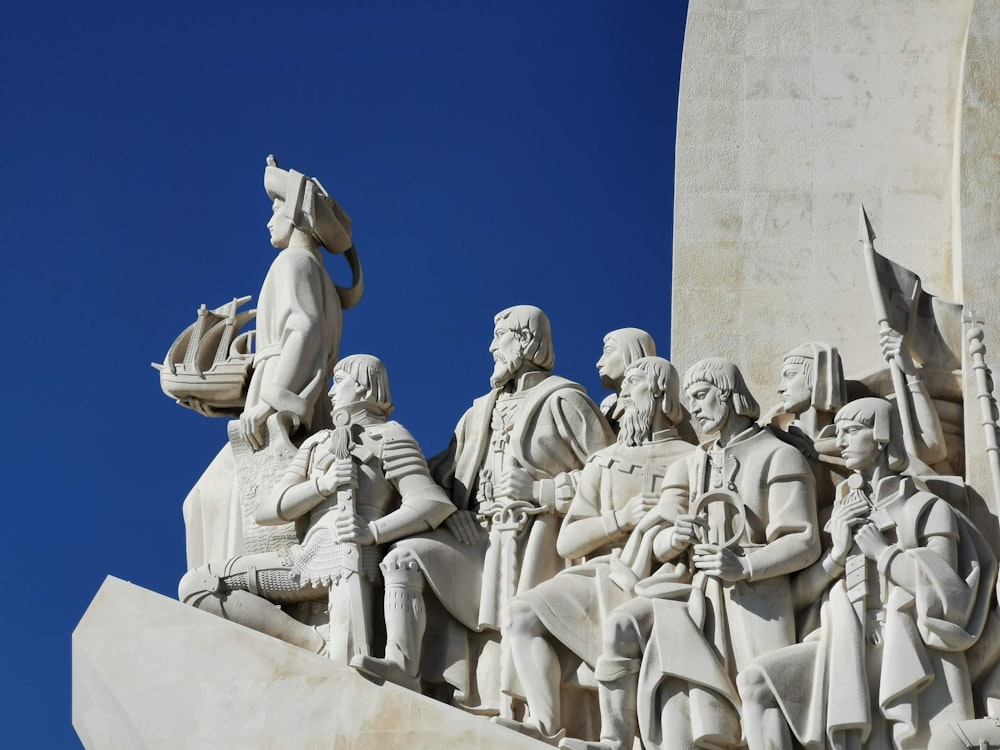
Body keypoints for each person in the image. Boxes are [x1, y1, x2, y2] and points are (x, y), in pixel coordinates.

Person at [352, 305, 613, 710]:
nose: (492, 347)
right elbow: (439, 477)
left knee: (514, 624)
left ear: (524, 341)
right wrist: (450, 511)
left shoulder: (565, 400)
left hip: (536, 539)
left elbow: (610, 476)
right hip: (478, 536)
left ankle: (522, 713)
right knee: (403, 558)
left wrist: (543, 491)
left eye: (501, 336)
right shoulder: (479, 412)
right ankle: (402, 667)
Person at [738, 397, 995, 750]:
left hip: (910, 651)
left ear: (882, 436)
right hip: (842, 641)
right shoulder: (838, 512)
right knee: (756, 683)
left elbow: (950, 597)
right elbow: (796, 600)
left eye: (852, 430)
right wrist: (837, 556)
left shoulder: (928, 509)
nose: (840, 441)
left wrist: (884, 554)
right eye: (838, 432)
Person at [600, 358, 819, 750]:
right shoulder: (690, 465)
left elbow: (804, 541)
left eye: (701, 396)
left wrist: (745, 566)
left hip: (757, 602)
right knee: (686, 701)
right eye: (690, 399)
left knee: (762, 717)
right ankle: (612, 741)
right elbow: (660, 544)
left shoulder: (778, 455)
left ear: (730, 395)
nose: (694, 409)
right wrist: (676, 538)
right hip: (695, 598)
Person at [178, 355, 455, 661]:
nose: (331, 393)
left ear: (363, 388)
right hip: (305, 559)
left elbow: (430, 502)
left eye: (339, 382)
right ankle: (312, 646)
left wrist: (372, 532)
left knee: (348, 664)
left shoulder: (389, 436)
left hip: (354, 558)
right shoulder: (318, 442)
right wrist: (322, 485)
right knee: (198, 585)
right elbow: (269, 510)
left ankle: (330, 652)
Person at [502, 356, 696, 743]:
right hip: (604, 570)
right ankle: (544, 724)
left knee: (621, 630)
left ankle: (617, 737)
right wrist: (619, 520)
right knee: (522, 614)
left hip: (664, 576)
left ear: (659, 393)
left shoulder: (693, 458)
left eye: (634, 383)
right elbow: (568, 540)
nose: (622, 391)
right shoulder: (605, 462)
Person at [239, 155, 364, 452]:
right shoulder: (320, 276)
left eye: (276, 209)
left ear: (296, 214)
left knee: (201, 500)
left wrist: (272, 401)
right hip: (305, 389)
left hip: (281, 391)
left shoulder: (293, 261)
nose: (269, 222)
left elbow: (306, 330)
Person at [596, 328, 656, 433]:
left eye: (608, 352)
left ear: (633, 353)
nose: (599, 363)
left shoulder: (653, 405)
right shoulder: (610, 407)